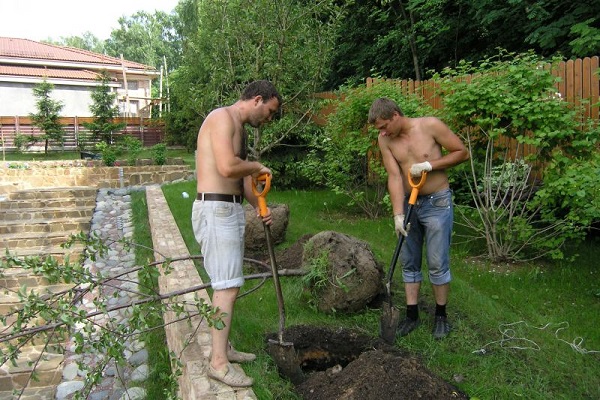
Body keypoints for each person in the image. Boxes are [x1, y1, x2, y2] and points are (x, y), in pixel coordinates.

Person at [192, 80, 281, 386]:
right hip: (215, 210)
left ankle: (224, 348)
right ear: (258, 99)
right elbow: (228, 168)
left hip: (228, 209)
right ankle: (217, 363)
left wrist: (260, 206)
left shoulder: (238, 128)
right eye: (269, 112)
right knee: (226, 287)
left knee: (230, 283)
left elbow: (242, 180)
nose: (268, 119)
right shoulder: (221, 118)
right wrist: (257, 166)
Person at [368, 97, 469, 340]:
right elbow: (393, 176)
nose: (382, 132)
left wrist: (428, 165)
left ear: (395, 115)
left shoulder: (430, 125)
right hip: (408, 202)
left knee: (436, 261)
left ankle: (441, 316)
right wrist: (397, 214)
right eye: (378, 129)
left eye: (384, 126)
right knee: (410, 261)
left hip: (437, 202)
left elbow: (461, 152)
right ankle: (411, 315)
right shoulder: (385, 141)